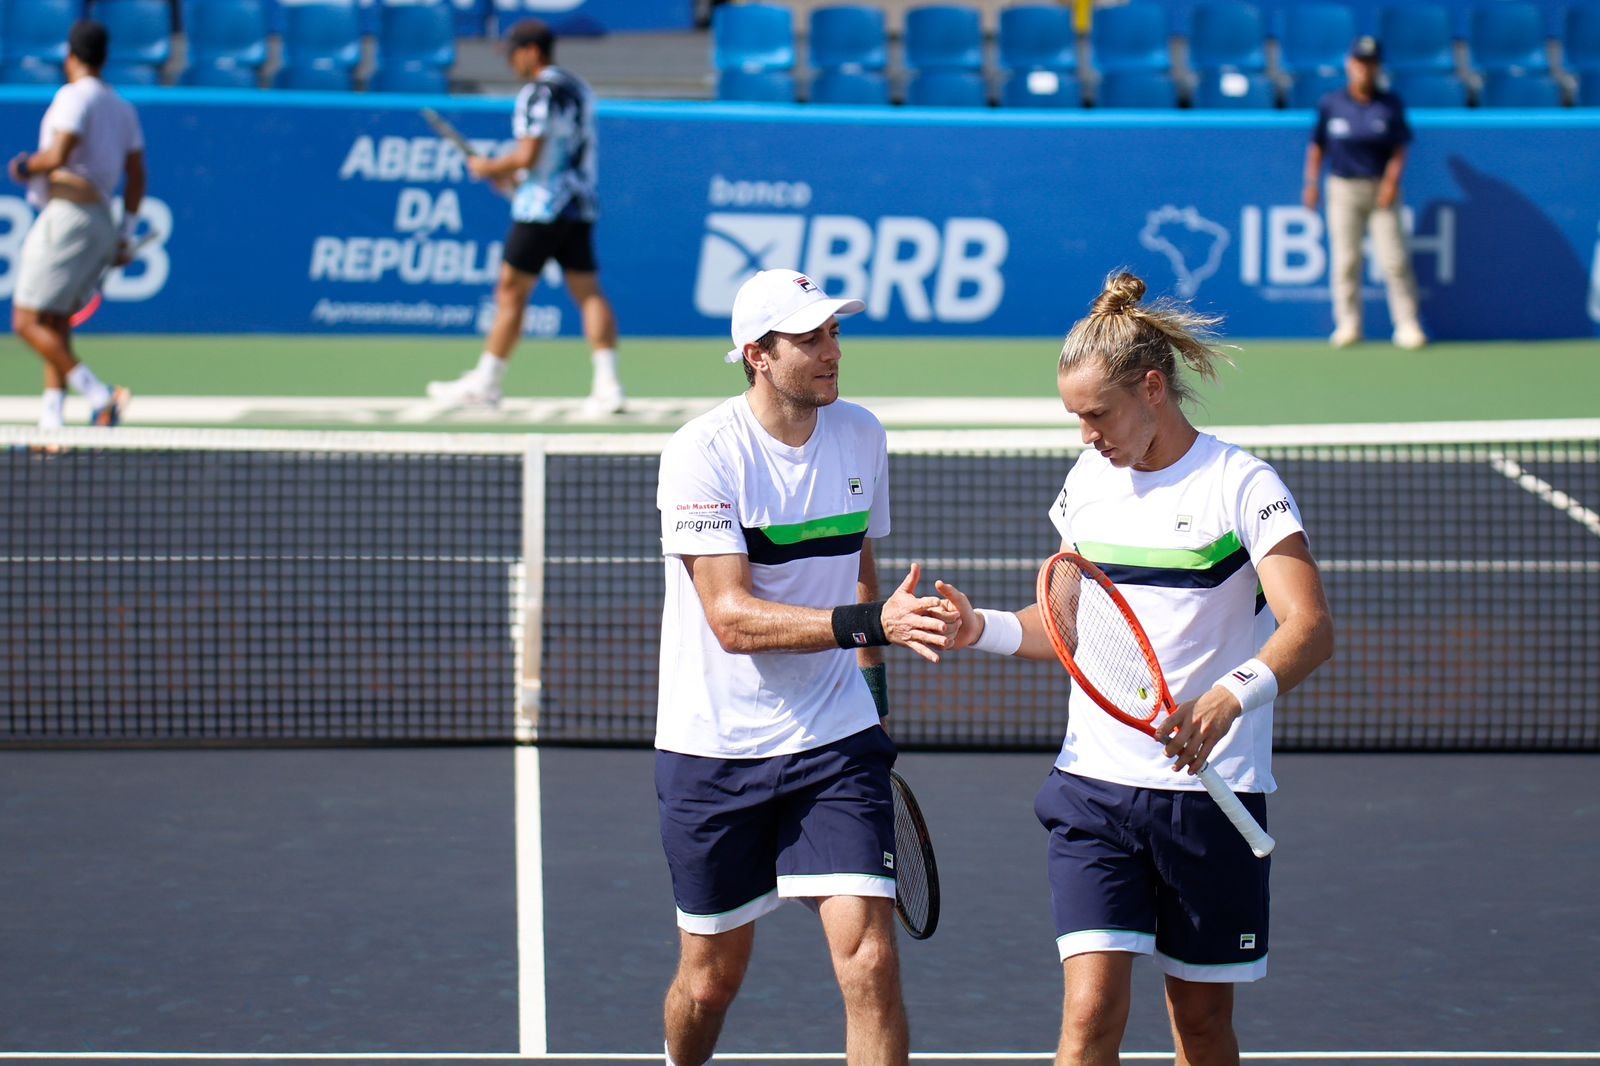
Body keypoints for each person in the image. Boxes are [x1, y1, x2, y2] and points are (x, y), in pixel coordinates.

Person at [937, 272, 1334, 1066]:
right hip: (1094, 790)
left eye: (1096, 414)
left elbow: (1310, 627)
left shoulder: (1241, 486)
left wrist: (1227, 700)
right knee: (1087, 1017)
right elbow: (1072, 633)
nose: (1086, 434)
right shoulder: (1086, 484)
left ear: (1152, 388)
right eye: (1074, 418)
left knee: (1201, 1027)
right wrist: (976, 627)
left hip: (1210, 801)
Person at [654, 268, 959, 1066]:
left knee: (869, 961)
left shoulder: (861, 434)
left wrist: (873, 684)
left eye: (835, 333)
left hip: (834, 739)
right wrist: (871, 623)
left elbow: (859, 561)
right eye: (812, 338)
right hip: (714, 748)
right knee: (711, 979)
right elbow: (731, 618)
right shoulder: (702, 453)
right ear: (757, 354)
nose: (833, 351)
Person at [426, 18, 625, 417]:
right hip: (578, 205)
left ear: (532, 51)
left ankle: (486, 383)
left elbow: (528, 156)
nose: (511, 62)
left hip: (541, 208)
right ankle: (609, 386)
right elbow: (558, 155)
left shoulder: (535, 93)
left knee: (510, 292)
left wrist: (491, 168)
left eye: (514, 52)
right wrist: (516, 177)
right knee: (588, 292)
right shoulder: (578, 88)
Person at [9, 19, 143, 429]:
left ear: (71, 56)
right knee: (54, 320)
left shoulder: (73, 97)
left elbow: (57, 156)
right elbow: (137, 176)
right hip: (101, 219)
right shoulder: (122, 106)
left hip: (68, 217)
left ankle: (99, 395)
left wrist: (22, 166)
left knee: (26, 322)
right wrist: (125, 233)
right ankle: (52, 423)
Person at [1302, 35, 1428, 351]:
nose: (1364, 69)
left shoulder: (1390, 105)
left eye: (1371, 63)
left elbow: (1399, 149)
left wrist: (1390, 183)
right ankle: (1348, 324)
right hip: (1342, 187)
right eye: (1360, 62)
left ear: (1378, 67)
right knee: (1346, 260)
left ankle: (1407, 324)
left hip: (1380, 189)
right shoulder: (1332, 104)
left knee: (1395, 260)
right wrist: (1312, 183)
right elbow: (1317, 147)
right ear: (1350, 64)